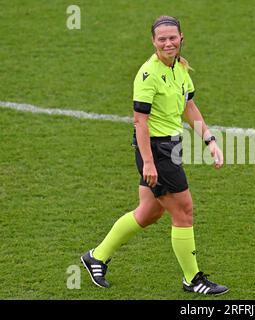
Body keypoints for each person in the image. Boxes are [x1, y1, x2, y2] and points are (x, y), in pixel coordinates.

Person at [81, 15, 228, 296]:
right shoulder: (147, 75)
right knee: (184, 211)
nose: (168, 43)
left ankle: (95, 257)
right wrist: (148, 161)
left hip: (170, 148)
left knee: (148, 213)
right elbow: (140, 122)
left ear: (181, 38)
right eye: (162, 39)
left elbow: (190, 106)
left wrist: (210, 140)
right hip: (157, 152)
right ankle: (192, 279)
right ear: (153, 41)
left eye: (173, 37)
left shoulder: (180, 69)